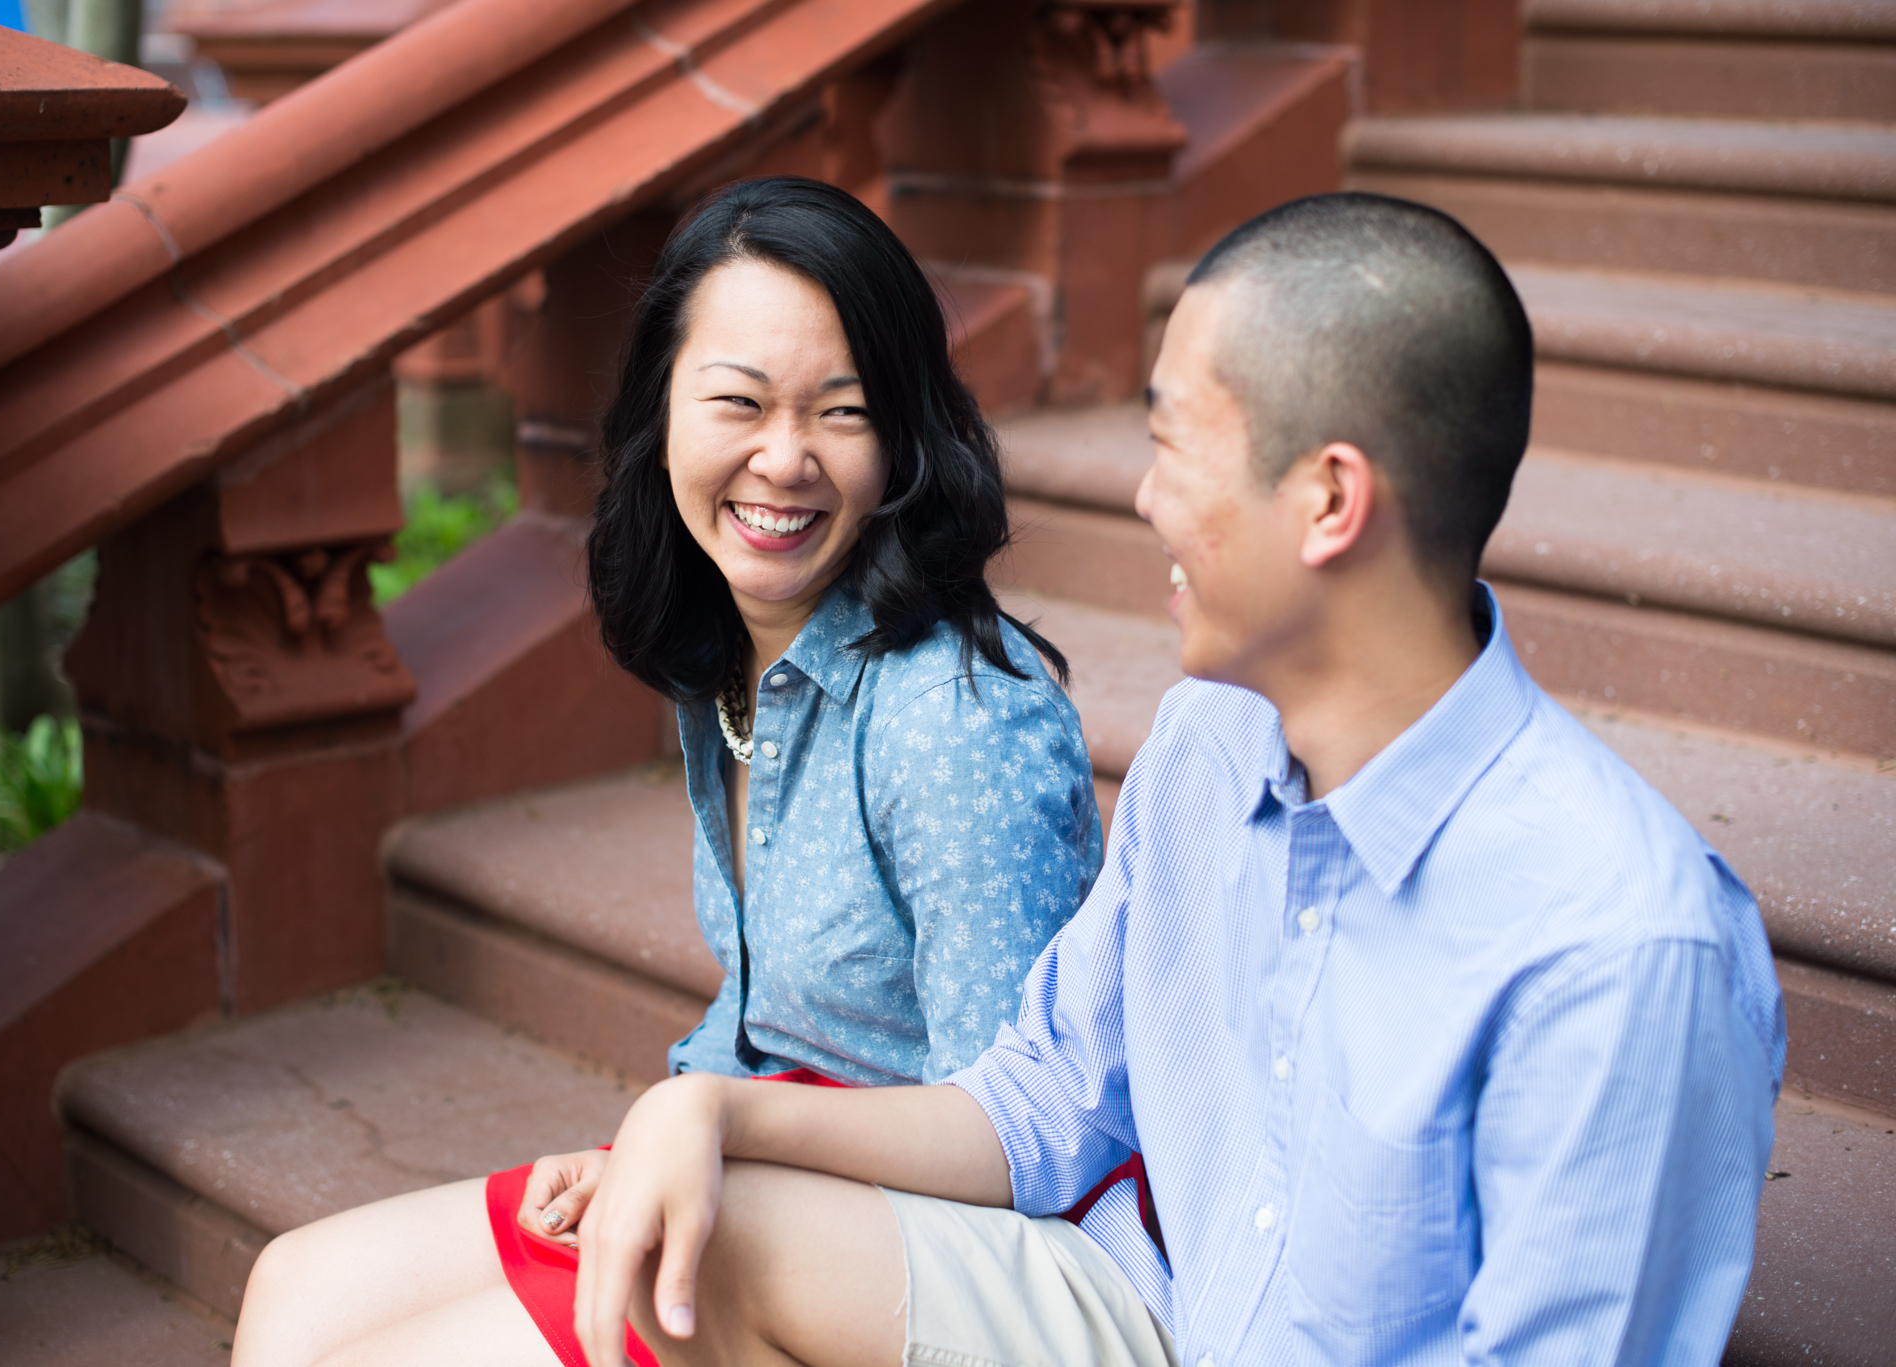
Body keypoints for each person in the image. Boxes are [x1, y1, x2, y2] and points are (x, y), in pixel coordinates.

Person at [569, 192, 1789, 1367]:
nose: (1141, 498)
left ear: (1326, 499)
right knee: (676, 1248)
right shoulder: (1211, 740)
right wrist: (714, 1113)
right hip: (1142, 1302)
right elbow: (1035, 1101)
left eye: (1169, 444)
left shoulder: (1625, 948)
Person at [227, 177, 1105, 1367]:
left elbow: (1013, 1141)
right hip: (761, 1156)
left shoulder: (953, 719)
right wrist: (655, 1135)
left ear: (904, 437)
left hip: (916, 1250)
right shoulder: (736, 644)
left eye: (841, 414)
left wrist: (704, 1129)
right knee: (296, 1291)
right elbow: (760, 1020)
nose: (782, 460)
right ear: (664, 410)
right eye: (736, 402)